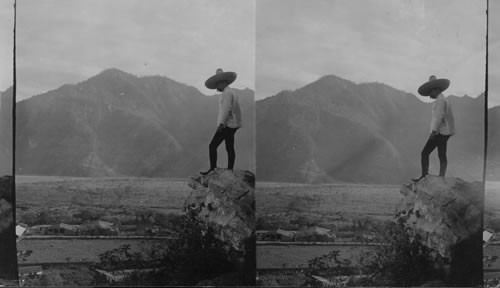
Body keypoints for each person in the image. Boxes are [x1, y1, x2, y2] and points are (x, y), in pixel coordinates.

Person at [412, 75, 455, 182]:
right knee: (442, 154)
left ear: (436, 90)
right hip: (446, 132)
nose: (429, 95)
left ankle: (425, 176)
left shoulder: (440, 101)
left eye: (430, 92)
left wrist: (433, 132)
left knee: (425, 153)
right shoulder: (444, 99)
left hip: (439, 132)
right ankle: (441, 177)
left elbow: (438, 117)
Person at [200, 68, 242, 176]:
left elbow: (226, 109)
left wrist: (221, 124)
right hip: (233, 124)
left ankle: (213, 169)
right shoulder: (231, 92)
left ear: (223, 82)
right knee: (229, 146)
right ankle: (229, 170)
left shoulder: (227, 94)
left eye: (218, 84)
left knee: (212, 145)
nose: (217, 87)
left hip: (227, 125)